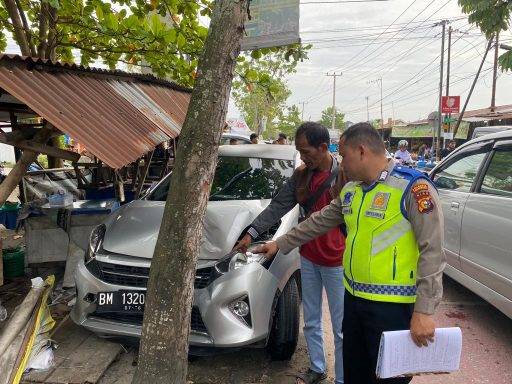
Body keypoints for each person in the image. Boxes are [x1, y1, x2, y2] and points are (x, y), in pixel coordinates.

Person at [255, 122, 445, 384]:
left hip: (393, 309)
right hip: (354, 302)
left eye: (344, 156)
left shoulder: (412, 189)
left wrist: (424, 311)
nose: (341, 164)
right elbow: (318, 221)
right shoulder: (352, 191)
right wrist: (280, 242)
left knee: (389, 379)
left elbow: (432, 251)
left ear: (362, 151)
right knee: (354, 375)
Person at [234, 122, 346, 384]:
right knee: (311, 319)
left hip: (339, 261)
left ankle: (342, 377)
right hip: (308, 257)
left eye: (306, 151)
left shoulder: (344, 175)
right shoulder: (301, 176)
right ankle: (318, 368)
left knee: (341, 327)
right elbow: (278, 206)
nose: (303, 157)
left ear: (323, 147)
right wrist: (250, 232)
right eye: (299, 151)